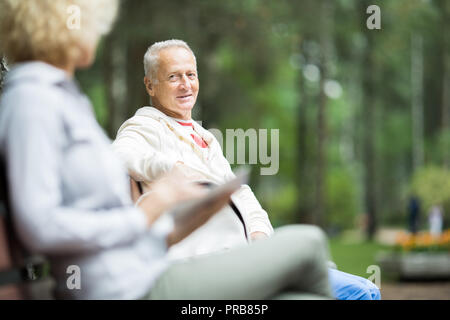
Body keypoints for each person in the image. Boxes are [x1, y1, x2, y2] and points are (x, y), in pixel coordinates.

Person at [0, 0, 332, 300]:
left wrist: (166, 226)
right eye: (91, 20)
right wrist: (152, 205)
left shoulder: (63, 98)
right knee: (311, 242)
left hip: (143, 267)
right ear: (57, 27)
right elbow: (40, 224)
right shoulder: (34, 100)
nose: (98, 31)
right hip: (129, 286)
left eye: (191, 74)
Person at [112, 39, 381, 300]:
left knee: (366, 289)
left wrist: (259, 232)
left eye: (191, 74)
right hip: (207, 267)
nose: (186, 84)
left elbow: (242, 194)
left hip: (245, 258)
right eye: (173, 77)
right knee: (360, 292)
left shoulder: (204, 137)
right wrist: (173, 169)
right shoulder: (146, 126)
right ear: (150, 85)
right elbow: (121, 154)